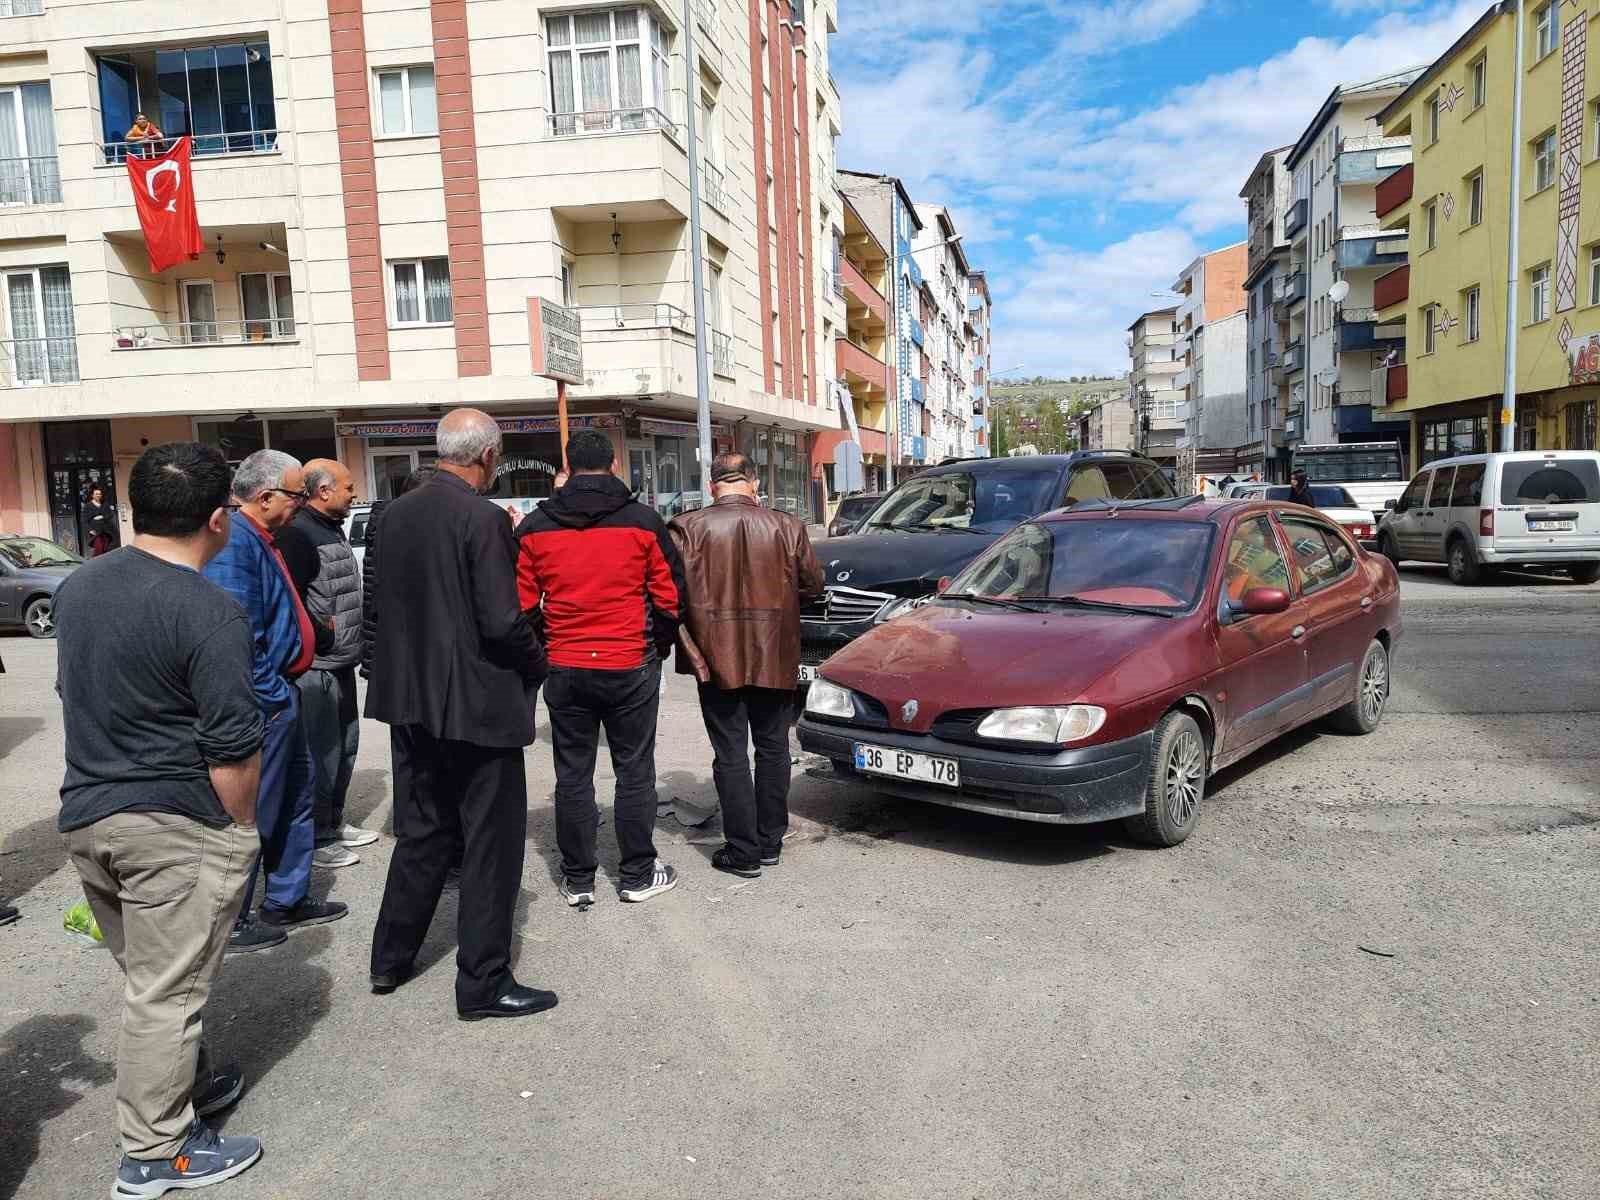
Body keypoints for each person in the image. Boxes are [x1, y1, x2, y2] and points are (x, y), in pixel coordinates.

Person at [55, 442, 265, 1197]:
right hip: (170, 824)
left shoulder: (80, 587)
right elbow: (234, 745)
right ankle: (155, 1153)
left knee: (153, 978)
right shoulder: (208, 608)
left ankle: (183, 1092)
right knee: (165, 993)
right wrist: (238, 834)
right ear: (217, 520)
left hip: (89, 816)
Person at [367, 409, 555, 1020]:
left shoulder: (392, 514)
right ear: (490, 456)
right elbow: (502, 620)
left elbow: (381, 607)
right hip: (475, 703)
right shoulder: (483, 518)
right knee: (490, 843)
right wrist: (537, 663)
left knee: (422, 830)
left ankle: (389, 959)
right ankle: (483, 983)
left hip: (411, 699)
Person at [515, 428, 684, 907]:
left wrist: (545, 651)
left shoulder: (534, 527)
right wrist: (657, 648)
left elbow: (523, 606)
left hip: (566, 664)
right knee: (634, 772)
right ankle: (635, 875)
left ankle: (578, 879)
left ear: (567, 469)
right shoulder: (644, 521)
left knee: (572, 774)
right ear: (614, 465)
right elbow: (670, 600)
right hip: (629, 661)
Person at [204, 450, 348, 952]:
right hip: (267, 699)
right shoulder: (234, 544)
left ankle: (286, 897)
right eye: (295, 494)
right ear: (265, 497)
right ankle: (236, 917)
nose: (300, 504)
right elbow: (241, 633)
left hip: (282, 692)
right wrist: (271, 698)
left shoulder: (260, 537)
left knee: (294, 797)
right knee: (255, 811)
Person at [669, 453, 823, 877]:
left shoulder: (686, 527)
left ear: (711, 483)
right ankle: (770, 841)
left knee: (730, 752)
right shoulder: (787, 526)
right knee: (773, 748)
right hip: (774, 651)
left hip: (714, 655)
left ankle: (743, 850)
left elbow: (671, 596)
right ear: (753, 482)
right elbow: (812, 585)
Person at [276, 459, 377, 870]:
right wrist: (324, 630)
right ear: (322, 491)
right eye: (348, 487)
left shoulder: (328, 529)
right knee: (321, 752)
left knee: (345, 747)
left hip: (339, 660)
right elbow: (289, 599)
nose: (353, 494)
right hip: (316, 665)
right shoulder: (298, 535)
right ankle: (316, 838)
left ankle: (332, 823)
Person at [84, 485, 117, 556]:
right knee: (99, 549)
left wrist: (102, 517)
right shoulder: (88, 506)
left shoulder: (105, 504)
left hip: (106, 531)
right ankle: (95, 564)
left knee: (106, 550)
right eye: (96, 494)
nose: (98, 495)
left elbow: (110, 515)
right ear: (92, 495)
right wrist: (90, 530)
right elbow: (85, 520)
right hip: (96, 532)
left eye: (100, 494)